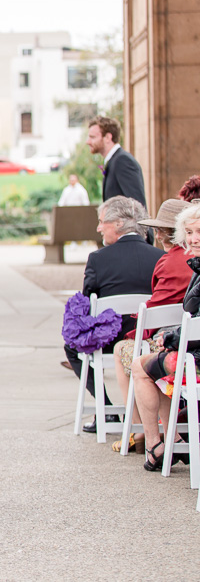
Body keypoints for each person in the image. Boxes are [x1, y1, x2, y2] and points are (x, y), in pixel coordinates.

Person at [62, 196, 163, 432]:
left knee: (71, 349)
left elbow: (87, 306)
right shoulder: (159, 258)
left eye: (101, 222)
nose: (98, 228)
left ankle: (106, 410)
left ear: (119, 223)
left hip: (111, 342)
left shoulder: (98, 259)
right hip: (150, 342)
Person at [110, 199, 192, 453]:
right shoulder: (190, 261)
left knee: (126, 351)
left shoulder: (168, 262)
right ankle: (171, 436)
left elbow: (155, 308)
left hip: (173, 344)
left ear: (162, 233)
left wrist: (134, 333)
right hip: (188, 339)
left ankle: (141, 432)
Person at [131, 202, 200, 470]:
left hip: (196, 362)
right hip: (192, 355)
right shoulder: (194, 265)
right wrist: (173, 336)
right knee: (158, 366)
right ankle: (175, 437)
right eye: (189, 232)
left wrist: (172, 338)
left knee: (140, 366)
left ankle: (155, 446)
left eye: (199, 232)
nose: (193, 238)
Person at [86, 116, 147, 207]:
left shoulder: (122, 161)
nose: (88, 141)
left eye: (92, 137)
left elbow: (138, 206)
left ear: (107, 137)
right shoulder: (114, 161)